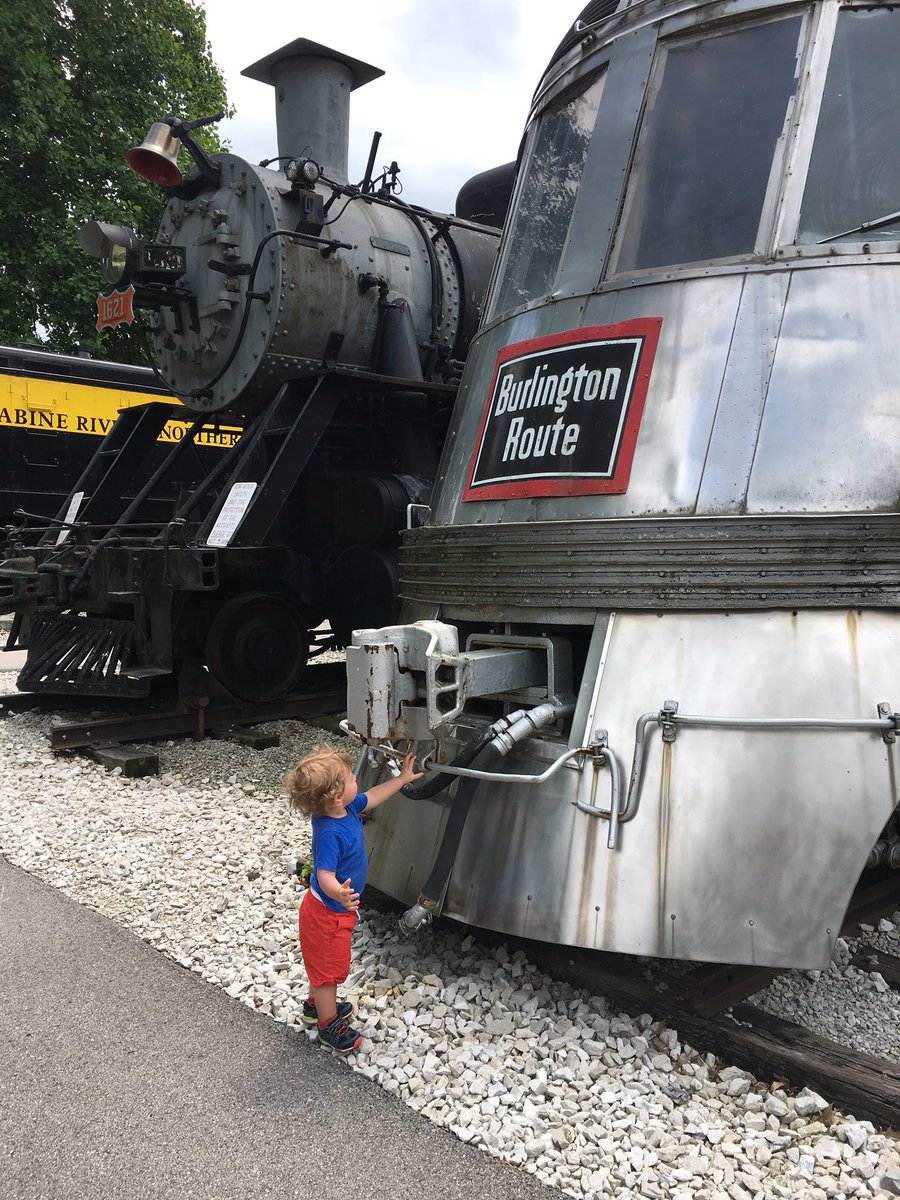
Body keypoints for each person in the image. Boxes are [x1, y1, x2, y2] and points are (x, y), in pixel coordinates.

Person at [284, 743, 423, 1054]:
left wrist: (401, 779)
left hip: (334, 911)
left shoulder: (345, 809)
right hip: (327, 914)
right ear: (335, 796)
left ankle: (314, 1007)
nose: (357, 780)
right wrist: (340, 893)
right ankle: (327, 1026)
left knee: (323, 968)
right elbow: (323, 875)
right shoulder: (329, 832)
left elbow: (372, 798)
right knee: (327, 974)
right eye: (350, 778)